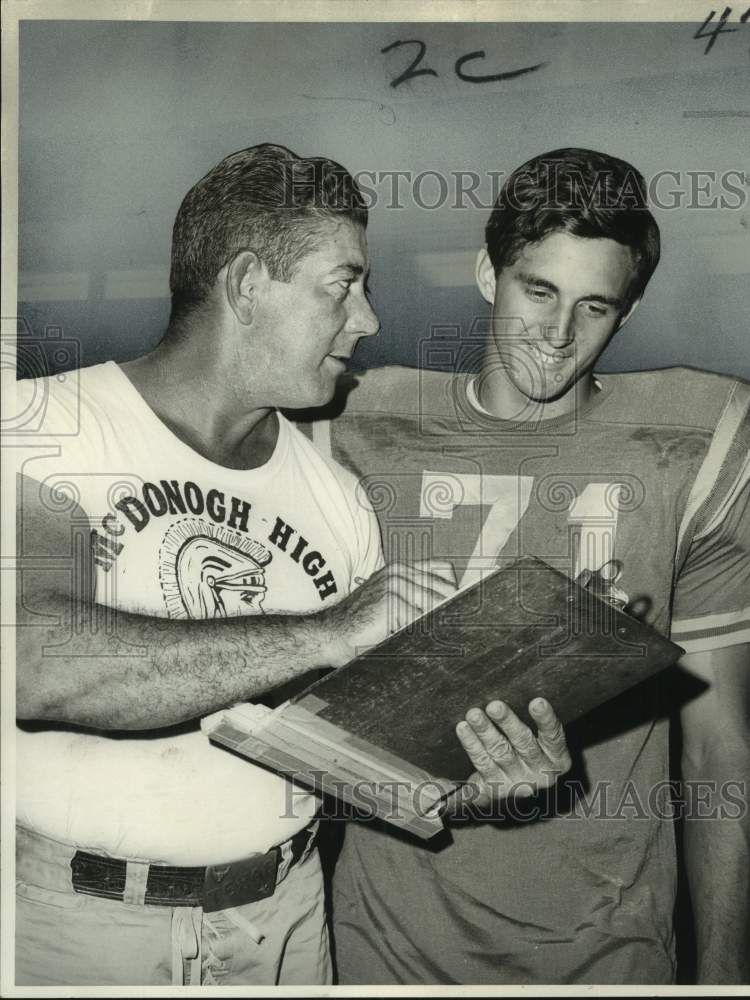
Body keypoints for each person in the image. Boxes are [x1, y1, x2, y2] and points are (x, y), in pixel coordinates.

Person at [14, 143, 572, 987]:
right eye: (343, 286)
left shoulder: (335, 495)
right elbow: (35, 664)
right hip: (81, 929)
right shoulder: (48, 424)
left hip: (288, 923)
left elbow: (348, 760)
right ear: (246, 285)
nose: (369, 320)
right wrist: (332, 629)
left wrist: (480, 781)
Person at [305, 147, 750, 984]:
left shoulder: (699, 444)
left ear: (626, 313)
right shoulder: (356, 424)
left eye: (595, 305)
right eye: (539, 291)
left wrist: (729, 976)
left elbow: (719, 748)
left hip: (606, 948)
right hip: (386, 945)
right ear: (488, 273)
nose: (560, 336)